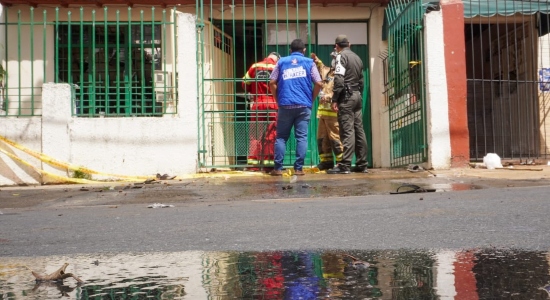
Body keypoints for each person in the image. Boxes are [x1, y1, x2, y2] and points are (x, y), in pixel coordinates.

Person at [268, 39, 323, 176]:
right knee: (301, 137)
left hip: (285, 104)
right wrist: (311, 98)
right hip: (303, 105)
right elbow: (319, 83)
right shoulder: (309, 62)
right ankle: (298, 169)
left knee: (281, 137)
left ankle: (278, 169)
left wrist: (277, 99)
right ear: (304, 51)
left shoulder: (281, 62)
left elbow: (272, 82)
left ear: (290, 50)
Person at [327, 34, 369, 174]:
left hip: (346, 97)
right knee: (359, 130)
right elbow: (362, 80)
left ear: (337, 46)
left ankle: (345, 165)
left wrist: (335, 99)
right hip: (357, 95)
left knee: (347, 130)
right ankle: (362, 164)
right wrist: (359, 94)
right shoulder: (357, 58)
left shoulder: (340, 56)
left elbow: (339, 79)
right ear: (349, 44)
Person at [242, 52, 280, 169]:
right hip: (272, 103)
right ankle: (269, 164)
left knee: (255, 134)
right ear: (276, 59)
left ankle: (253, 164)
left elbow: (244, 83)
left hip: (258, 103)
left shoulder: (255, 66)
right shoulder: (277, 67)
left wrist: (253, 89)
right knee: (271, 133)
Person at [311, 51, 343, 171]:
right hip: (323, 112)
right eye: (333, 58)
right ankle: (326, 162)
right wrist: (315, 60)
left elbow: (340, 90)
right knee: (322, 138)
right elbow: (321, 67)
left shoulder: (341, 74)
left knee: (335, 138)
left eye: (335, 58)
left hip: (333, 112)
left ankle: (341, 162)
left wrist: (329, 97)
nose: (333, 60)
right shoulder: (328, 71)